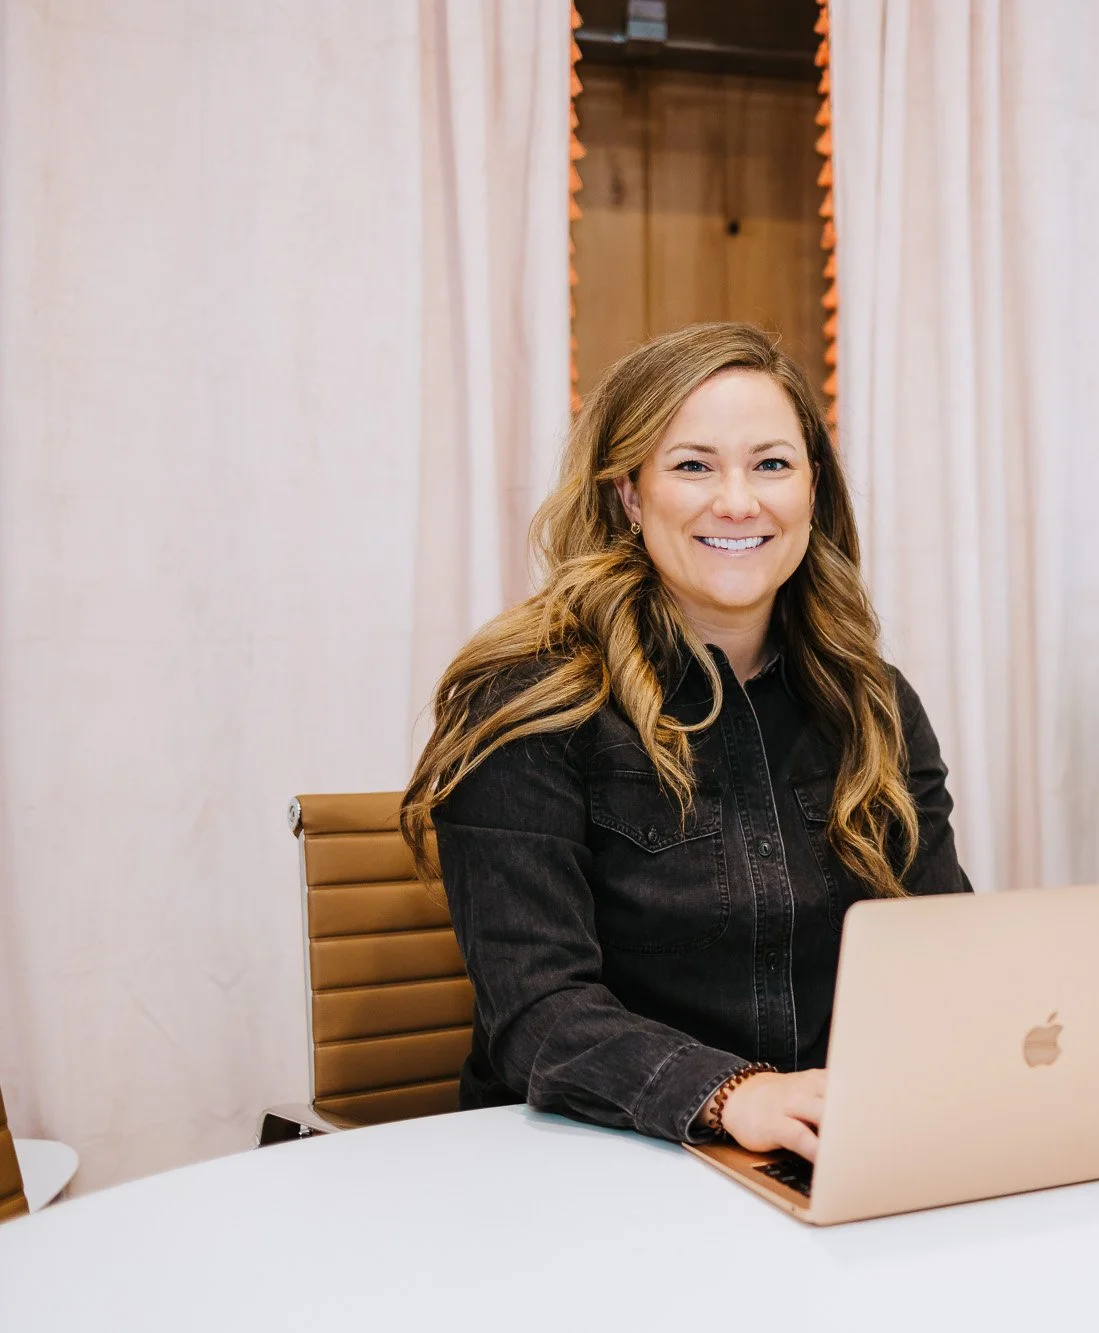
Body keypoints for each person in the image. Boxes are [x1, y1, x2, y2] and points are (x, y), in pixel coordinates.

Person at [401, 322, 971, 1164]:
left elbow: (945, 952)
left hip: (828, 1152)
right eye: (694, 465)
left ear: (813, 490)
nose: (738, 501)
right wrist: (733, 1093)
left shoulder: (874, 702)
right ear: (630, 494)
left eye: (771, 464)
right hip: (587, 1166)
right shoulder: (530, 702)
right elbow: (539, 1015)